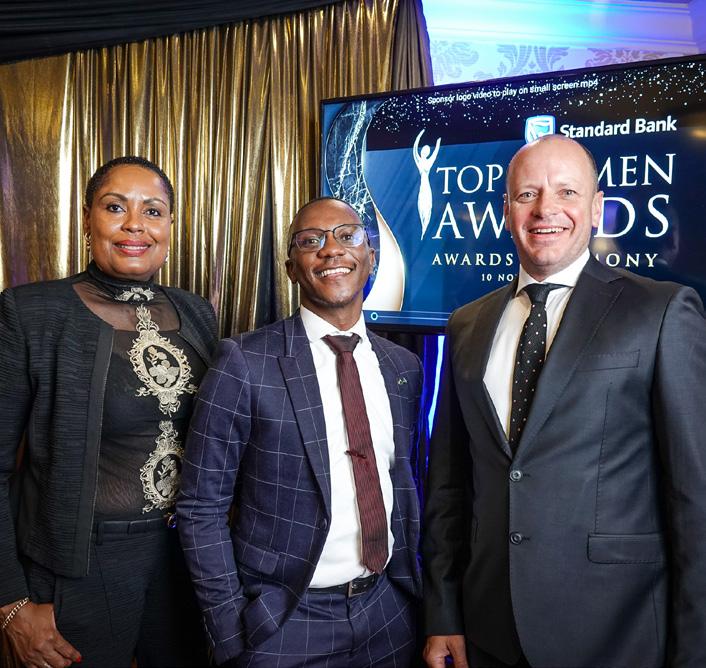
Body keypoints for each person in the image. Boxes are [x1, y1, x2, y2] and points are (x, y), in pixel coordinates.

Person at [422, 134, 706, 668]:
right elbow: (449, 485)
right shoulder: (466, 324)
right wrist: (443, 612)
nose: (545, 209)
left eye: (567, 192)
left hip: (617, 633)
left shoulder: (662, 311)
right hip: (488, 629)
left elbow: (695, 498)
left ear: (596, 209)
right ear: (506, 211)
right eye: (527, 194)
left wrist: (694, 652)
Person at [177, 197, 424, 667]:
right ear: (291, 269)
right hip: (284, 621)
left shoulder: (403, 367)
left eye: (347, 235)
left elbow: (405, 486)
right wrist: (229, 633)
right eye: (311, 241)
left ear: (370, 256)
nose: (331, 249)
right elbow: (200, 507)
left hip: (389, 613)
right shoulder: (244, 363)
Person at [0, 156, 217, 667]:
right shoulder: (30, 312)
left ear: (170, 225)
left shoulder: (196, 312)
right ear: (88, 219)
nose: (135, 224)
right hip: (81, 568)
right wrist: (10, 602)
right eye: (115, 207)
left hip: (186, 560)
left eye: (153, 211)